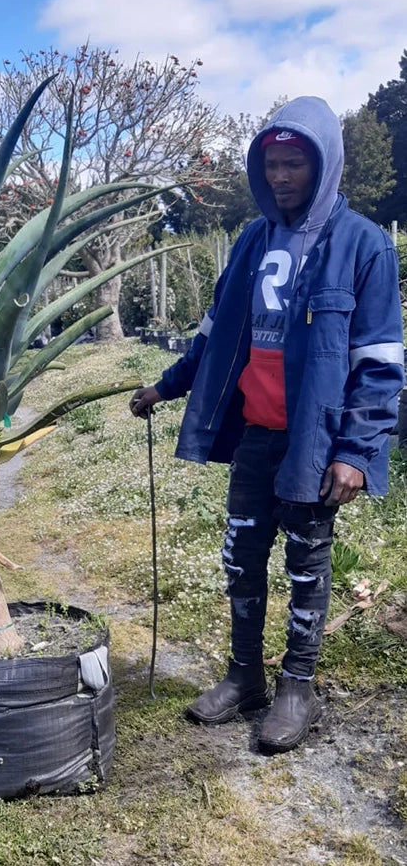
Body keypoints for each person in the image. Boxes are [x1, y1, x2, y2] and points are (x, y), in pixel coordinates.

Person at [130, 96, 404, 754]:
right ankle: (244, 677)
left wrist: (357, 453)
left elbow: (380, 362)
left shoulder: (362, 245)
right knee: (241, 558)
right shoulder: (254, 239)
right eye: (272, 163)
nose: (281, 176)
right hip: (256, 432)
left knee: (307, 564)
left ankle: (298, 689)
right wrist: (165, 387)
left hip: (314, 442)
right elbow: (216, 335)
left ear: (324, 165)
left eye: (295, 164)